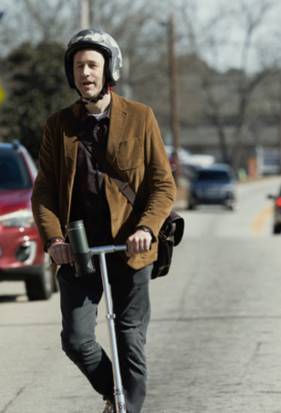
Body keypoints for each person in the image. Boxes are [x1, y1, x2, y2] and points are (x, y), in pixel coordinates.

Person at [30, 30, 175, 413]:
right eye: (79, 66)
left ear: (109, 69)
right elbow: (44, 193)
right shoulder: (58, 126)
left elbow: (163, 185)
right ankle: (115, 393)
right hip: (79, 249)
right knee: (77, 340)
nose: (85, 73)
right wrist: (54, 240)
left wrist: (146, 228)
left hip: (130, 246)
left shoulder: (140, 117)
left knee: (129, 337)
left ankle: (129, 408)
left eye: (92, 65)